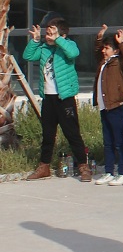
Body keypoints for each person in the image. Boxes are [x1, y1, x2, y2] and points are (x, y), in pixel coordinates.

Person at [22, 17, 91, 182]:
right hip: (48, 98)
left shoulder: (68, 46)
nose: (48, 36)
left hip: (64, 98)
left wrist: (58, 39)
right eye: (47, 33)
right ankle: (44, 166)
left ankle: (83, 166)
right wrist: (35, 40)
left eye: (52, 33)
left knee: (72, 134)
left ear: (62, 35)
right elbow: (28, 55)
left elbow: (73, 53)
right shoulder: (44, 48)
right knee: (47, 134)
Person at [92, 25, 123, 185]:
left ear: (115, 50)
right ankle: (109, 171)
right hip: (105, 107)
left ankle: (122, 173)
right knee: (108, 142)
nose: (104, 51)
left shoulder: (119, 62)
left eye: (107, 48)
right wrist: (99, 38)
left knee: (119, 141)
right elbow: (97, 52)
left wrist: (122, 43)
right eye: (103, 48)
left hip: (117, 106)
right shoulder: (103, 63)